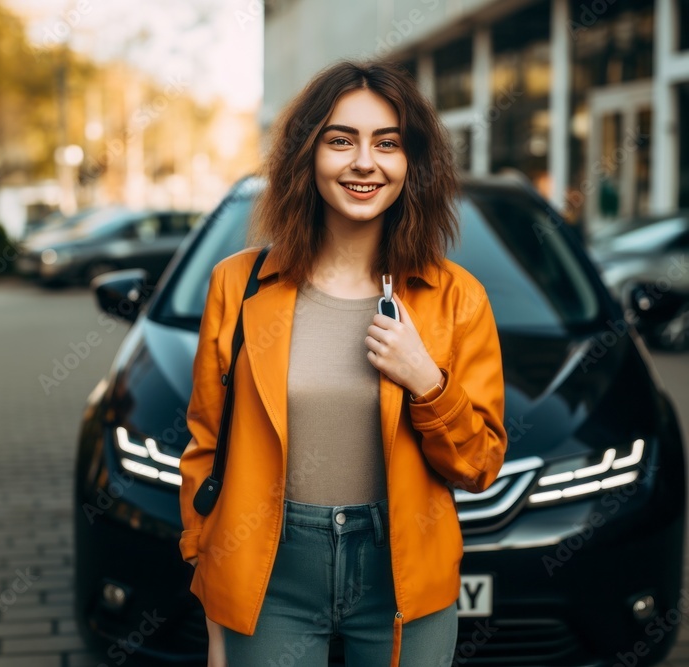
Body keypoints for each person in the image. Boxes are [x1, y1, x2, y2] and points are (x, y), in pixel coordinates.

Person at [177, 59, 509, 667]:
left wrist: (426, 383)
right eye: (340, 141)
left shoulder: (456, 298)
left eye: (388, 144)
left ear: (414, 165)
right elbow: (206, 448)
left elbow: (480, 465)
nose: (365, 162)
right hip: (269, 570)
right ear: (307, 156)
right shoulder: (239, 286)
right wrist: (214, 599)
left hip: (404, 575)